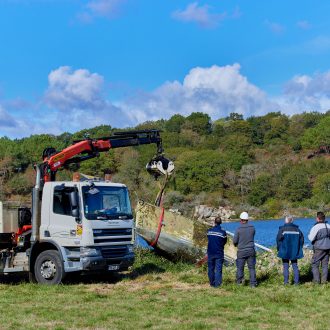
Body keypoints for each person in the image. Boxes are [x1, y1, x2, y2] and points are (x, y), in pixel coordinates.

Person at [276, 215, 304, 285]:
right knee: (295, 266)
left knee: (285, 266)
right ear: (292, 221)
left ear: (286, 221)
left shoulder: (282, 229)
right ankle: (296, 282)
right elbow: (302, 240)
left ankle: (286, 282)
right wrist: (299, 248)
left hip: (284, 251)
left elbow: (278, 240)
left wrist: (279, 249)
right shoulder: (298, 230)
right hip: (294, 251)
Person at [233, 212, 257, 287]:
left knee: (240, 268)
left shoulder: (238, 229)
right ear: (247, 219)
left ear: (241, 219)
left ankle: (239, 283)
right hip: (251, 250)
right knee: (252, 268)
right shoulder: (252, 228)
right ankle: (253, 284)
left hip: (241, 251)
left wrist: (236, 245)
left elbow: (235, 241)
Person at [308, 211, 330, 284]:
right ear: (324, 218)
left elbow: (311, 238)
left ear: (317, 218)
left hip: (319, 248)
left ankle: (317, 281)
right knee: (325, 265)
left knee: (315, 264)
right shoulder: (328, 226)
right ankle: (324, 281)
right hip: (327, 247)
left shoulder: (316, 227)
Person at [207, 217, 227, 287]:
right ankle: (217, 285)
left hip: (210, 252)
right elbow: (224, 242)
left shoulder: (209, 231)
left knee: (210, 269)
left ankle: (211, 283)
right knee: (218, 269)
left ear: (214, 222)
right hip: (219, 253)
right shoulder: (223, 233)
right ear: (221, 223)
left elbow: (209, 239)